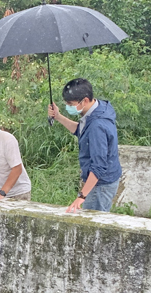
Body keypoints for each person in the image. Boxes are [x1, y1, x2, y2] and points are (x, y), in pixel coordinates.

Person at [48, 78, 122, 213]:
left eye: (70, 104)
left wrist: (82, 196)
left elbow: (99, 166)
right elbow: (81, 130)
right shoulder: (99, 108)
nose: (68, 106)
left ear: (85, 100)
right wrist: (58, 117)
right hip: (103, 180)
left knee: (93, 225)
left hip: (101, 184)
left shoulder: (97, 125)